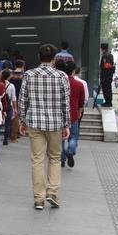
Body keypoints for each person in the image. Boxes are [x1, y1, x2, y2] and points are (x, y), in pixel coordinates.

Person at [18, 44, 70, 210]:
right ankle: (52, 192)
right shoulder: (62, 76)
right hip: (55, 124)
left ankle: (39, 199)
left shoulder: (29, 74)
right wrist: (66, 124)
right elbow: (65, 103)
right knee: (54, 158)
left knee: (37, 160)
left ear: (38, 57)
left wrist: (22, 121)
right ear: (54, 59)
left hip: (35, 123)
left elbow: (23, 100)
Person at [59, 61, 85, 169]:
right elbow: (82, 102)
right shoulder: (79, 84)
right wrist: (79, 112)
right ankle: (70, 151)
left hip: (60, 115)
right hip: (73, 114)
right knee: (73, 137)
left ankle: (62, 159)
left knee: (61, 138)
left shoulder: (59, 83)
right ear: (74, 71)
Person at [8, 60, 25, 143]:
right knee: (17, 117)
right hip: (20, 98)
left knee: (13, 116)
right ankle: (14, 135)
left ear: (15, 65)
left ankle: (13, 133)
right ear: (23, 66)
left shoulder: (11, 74)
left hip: (11, 97)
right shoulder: (24, 75)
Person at [1, 70, 18, 146]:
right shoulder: (11, 86)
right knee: (8, 124)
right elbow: (14, 98)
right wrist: (15, 108)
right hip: (8, 106)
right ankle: (5, 139)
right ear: (8, 77)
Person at [100, 43, 115, 107]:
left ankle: (108, 102)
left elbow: (106, 65)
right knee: (108, 88)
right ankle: (108, 102)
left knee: (106, 89)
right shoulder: (110, 55)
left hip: (105, 75)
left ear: (102, 48)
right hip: (109, 75)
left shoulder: (105, 56)